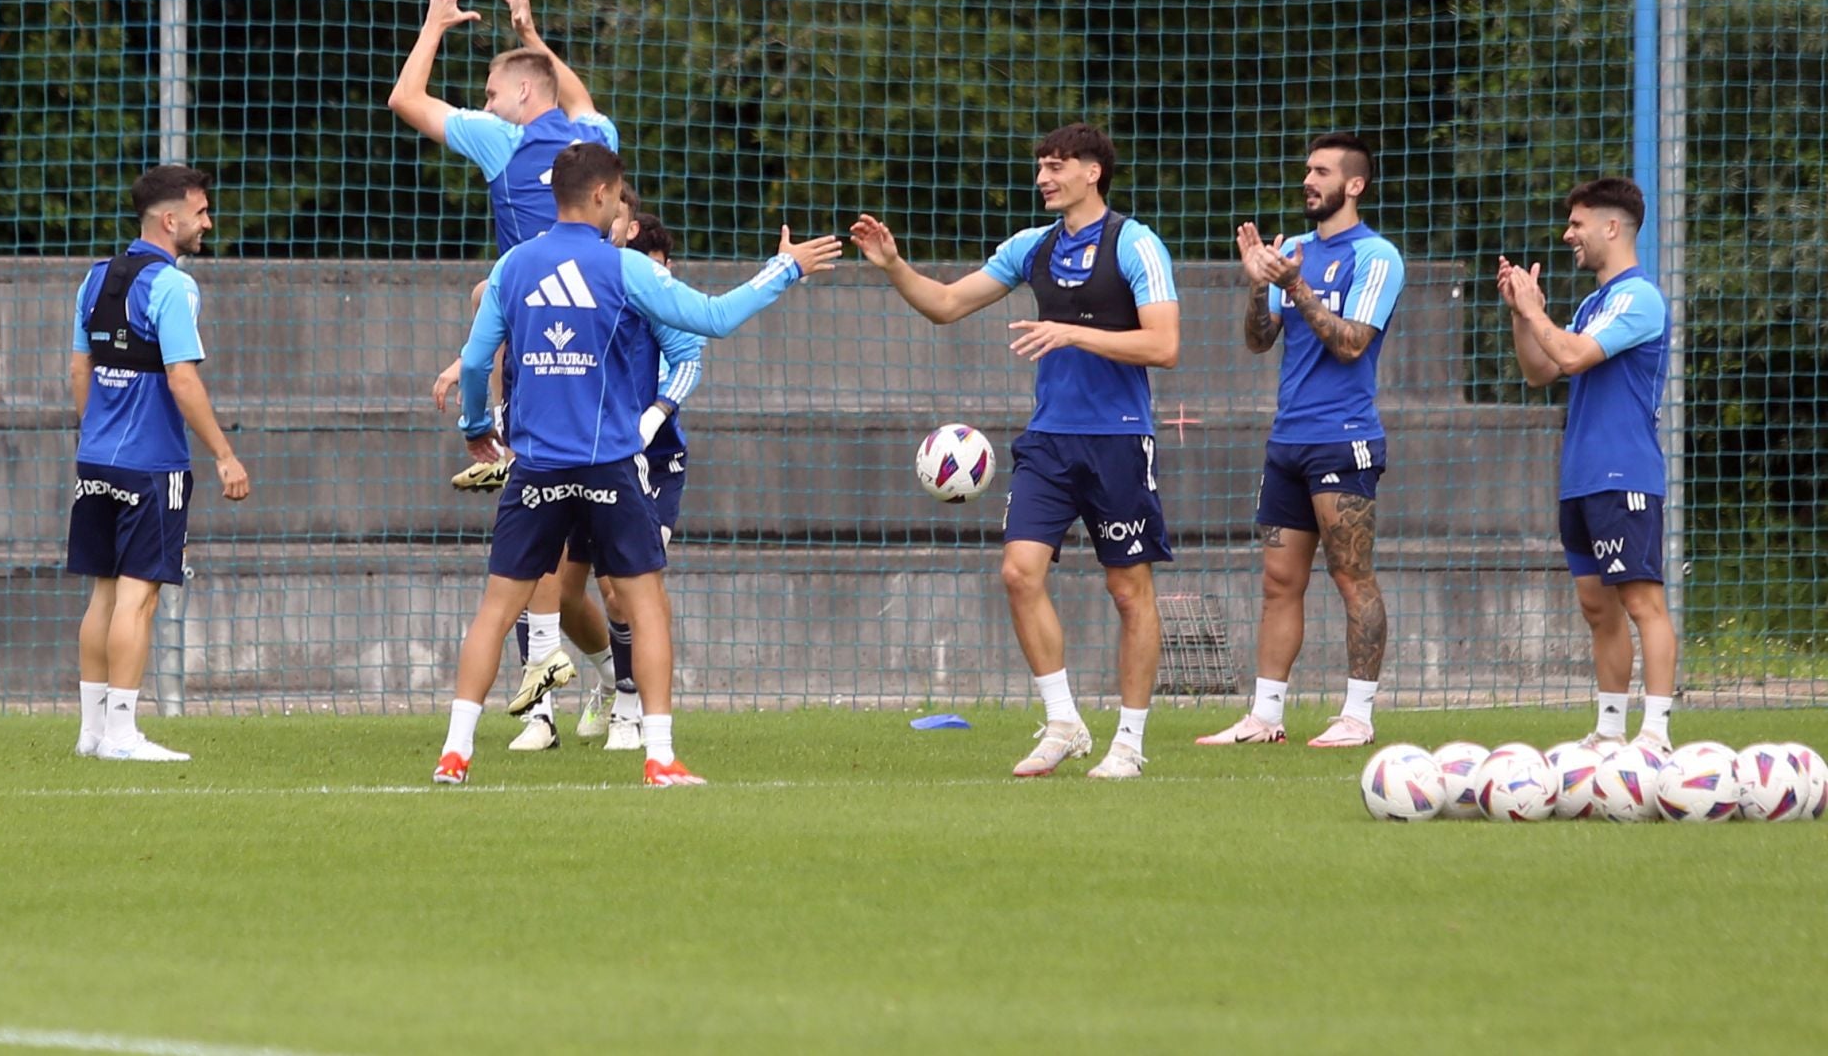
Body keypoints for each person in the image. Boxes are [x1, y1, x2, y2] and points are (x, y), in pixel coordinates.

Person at [433, 144, 841, 786]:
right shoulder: (623, 270)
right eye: (618, 194)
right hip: (608, 468)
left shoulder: (513, 266)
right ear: (600, 195)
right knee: (646, 605)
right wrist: (783, 269)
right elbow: (714, 318)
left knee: (495, 607)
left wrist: (477, 429)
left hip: (536, 469)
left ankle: (455, 753)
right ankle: (659, 755)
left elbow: (479, 359)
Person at [851, 124, 1180, 780]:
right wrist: (894, 267)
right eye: (1040, 167)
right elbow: (945, 305)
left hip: (1117, 437)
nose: (1043, 178)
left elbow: (1163, 345)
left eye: (1056, 166)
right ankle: (1063, 722)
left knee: (1127, 588)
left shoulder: (1136, 243)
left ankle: (1130, 742)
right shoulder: (1033, 247)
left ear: (1093, 171)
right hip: (1049, 440)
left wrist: (1075, 333)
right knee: (1019, 571)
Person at [1199, 132, 1405, 749]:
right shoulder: (1292, 250)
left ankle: (1357, 716)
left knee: (1352, 577)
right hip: (1287, 441)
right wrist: (1259, 283)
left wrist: (1296, 287)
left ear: (1355, 185)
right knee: (1278, 583)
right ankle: (1264, 716)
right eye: (1307, 171)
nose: (1309, 181)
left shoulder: (1377, 257)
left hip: (1343, 441)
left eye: (1321, 172)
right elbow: (1260, 340)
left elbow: (1350, 344)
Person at [388, 0, 618, 491]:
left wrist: (435, 25)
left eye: (492, 94)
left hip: (539, 317)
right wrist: (532, 38)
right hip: (602, 312)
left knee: (488, 294)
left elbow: (405, 98)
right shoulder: (595, 135)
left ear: (521, 95)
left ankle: (501, 436)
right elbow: (578, 98)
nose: (486, 103)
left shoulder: (501, 138)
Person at [67, 166, 251, 762]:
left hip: (95, 458)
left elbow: (80, 369)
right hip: (152, 465)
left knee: (102, 592)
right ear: (170, 221)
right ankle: (122, 734)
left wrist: (94, 431)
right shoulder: (173, 286)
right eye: (201, 212)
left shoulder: (94, 279)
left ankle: (91, 731)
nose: (208, 222)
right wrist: (225, 455)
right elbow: (181, 379)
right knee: (138, 598)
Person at [503, 210, 703, 754]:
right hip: (588, 456)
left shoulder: (657, 297)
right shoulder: (593, 283)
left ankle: (632, 704)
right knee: (556, 587)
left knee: (625, 588)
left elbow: (690, 359)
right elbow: (493, 303)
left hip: (654, 461)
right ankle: (574, 696)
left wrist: (653, 417)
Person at [1498, 177, 1675, 748]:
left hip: (1625, 473)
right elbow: (1539, 370)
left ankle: (1655, 733)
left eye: (1577, 224)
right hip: (1581, 476)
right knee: (1597, 606)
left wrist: (1540, 316)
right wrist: (1525, 317)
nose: (1568, 234)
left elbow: (1571, 355)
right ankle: (1608, 732)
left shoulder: (1639, 297)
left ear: (1611, 226)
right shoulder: (1595, 302)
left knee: (1642, 601)